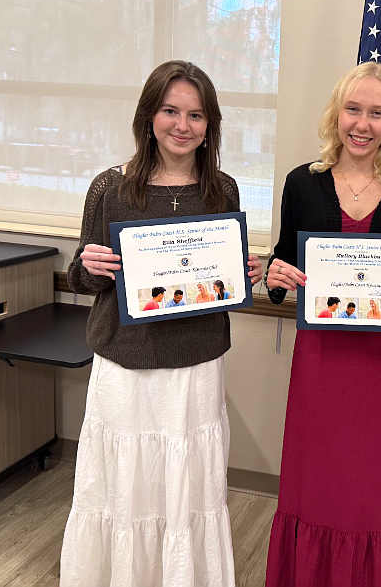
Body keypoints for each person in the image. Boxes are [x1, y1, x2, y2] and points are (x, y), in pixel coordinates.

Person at [60, 60, 263, 587]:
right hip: (125, 366)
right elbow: (80, 274)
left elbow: (223, 284)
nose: (182, 125)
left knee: (186, 489)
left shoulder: (225, 189)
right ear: (148, 115)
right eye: (170, 111)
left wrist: (242, 274)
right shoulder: (111, 186)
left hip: (194, 368)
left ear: (209, 124)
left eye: (196, 115)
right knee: (125, 487)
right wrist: (88, 267)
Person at [263, 62, 381, 587]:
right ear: (336, 114)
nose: (362, 124)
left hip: (379, 361)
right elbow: (283, 263)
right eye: (353, 109)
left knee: (366, 485)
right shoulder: (303, 182)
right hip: (321, 356)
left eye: (376, 112)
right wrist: (273, 274)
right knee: (315, 477)